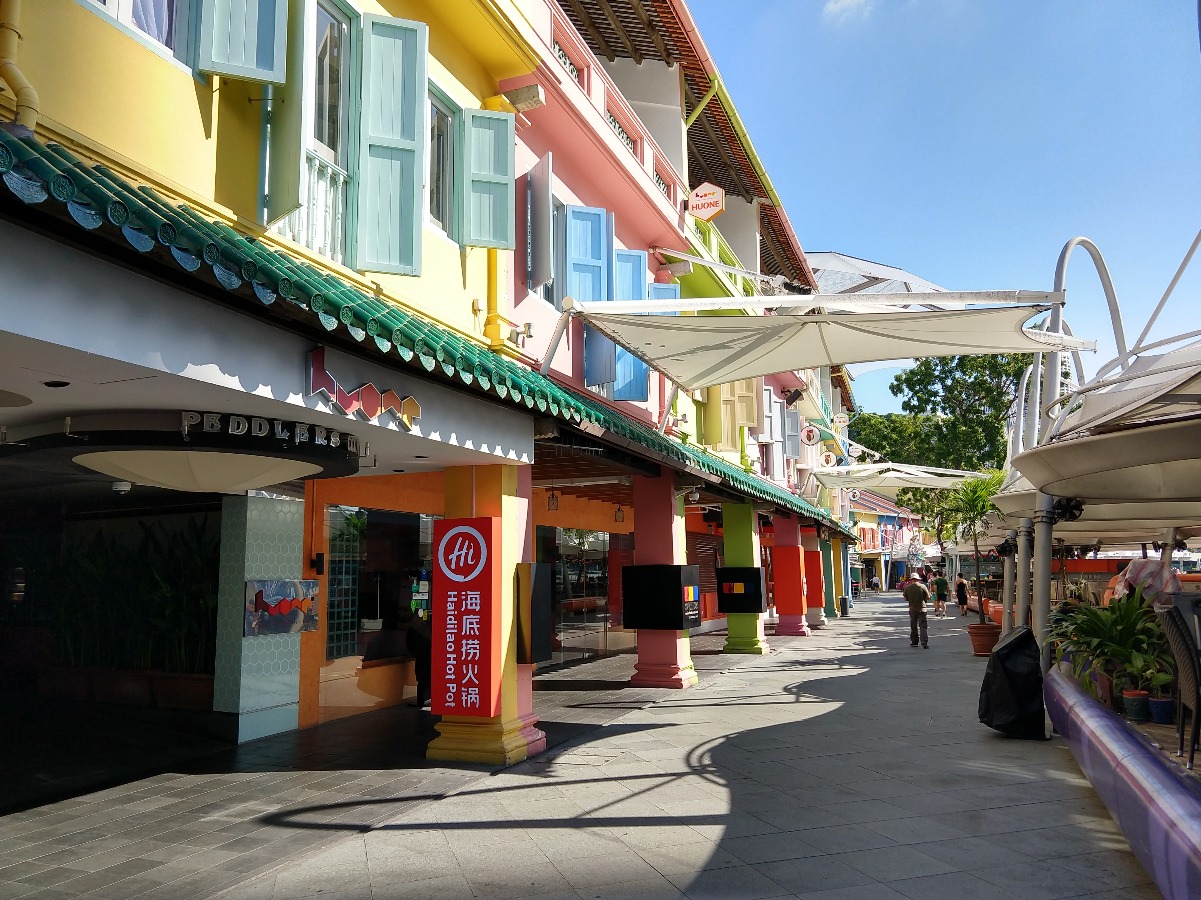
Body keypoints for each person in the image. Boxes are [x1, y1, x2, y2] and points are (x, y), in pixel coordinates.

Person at [903, 573, 930, 648]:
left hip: (912, 608)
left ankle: (914, 641)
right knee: (923, 626)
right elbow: (928, 596)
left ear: (911, 580)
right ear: (918, 579)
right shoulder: (923, 586)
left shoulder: (907, 588)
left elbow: (905, 598)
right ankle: (924, 642)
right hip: (922, 608)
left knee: (913, 626)